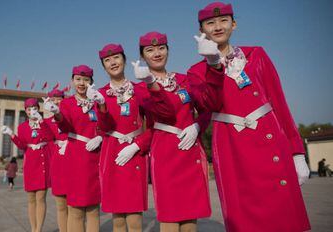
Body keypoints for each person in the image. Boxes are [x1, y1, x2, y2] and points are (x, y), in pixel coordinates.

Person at [187, 2, 311, 231]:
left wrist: (297, 152)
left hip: (269, 139)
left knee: (283, 217)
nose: (217, 27)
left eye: (223, 20)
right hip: (231, 146)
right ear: (201, 31)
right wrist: (213, 65)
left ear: (233, 24)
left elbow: (280, 104)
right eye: (210, 23)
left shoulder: (256, 55)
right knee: (244, 217)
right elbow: (210, 104)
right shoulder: (195, 72)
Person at [136, 31, 223, 232]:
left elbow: (206, 107)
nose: (157, 53)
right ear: (142, 56)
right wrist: (151, 83)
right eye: (150, 50)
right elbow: (163, 113)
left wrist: (198, 125)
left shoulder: (186, 79)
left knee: (190, 221)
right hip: (165, 154)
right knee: (170, 218)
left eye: (161, 48)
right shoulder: (141, 88)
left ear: (168, 50)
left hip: (190, 151)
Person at [86, 43, 174, 232]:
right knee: (117, 219)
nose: (113, 63)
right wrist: (101, 106)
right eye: (107, 60)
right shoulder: (99, 93)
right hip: (112, 156)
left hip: (135, 154)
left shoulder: (140, 89)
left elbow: (152, 125)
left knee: (134, 218)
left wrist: (137, 145)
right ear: (103, 66)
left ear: (124, 60)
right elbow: (104, 127)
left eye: (116, 58)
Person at [47, 65, 102, 232]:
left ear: (91, 82)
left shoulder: (97, 102)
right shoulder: (68, 103)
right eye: (78, 79)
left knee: (93, 210)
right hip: (76, 157)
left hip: (94, 157)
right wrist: (57, 114)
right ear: (72, 81)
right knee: (76, 209)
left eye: (86, 80)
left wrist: (100, 137)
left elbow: (105, 125)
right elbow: (64, 126)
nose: (82, 83)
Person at [2, 98, 54, 232]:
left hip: (43, 161)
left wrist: (41, 122)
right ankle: (33, 228)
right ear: (25, 111)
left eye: (35, 108)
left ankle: (39, 229)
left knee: (41, 198)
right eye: (29, 109)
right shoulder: (23, 126)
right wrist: (11, 134)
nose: (32, 111)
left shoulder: (45, 123)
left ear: (39, 109)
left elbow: (49, 138)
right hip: (30, 162)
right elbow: (22, 145)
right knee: (31, 199)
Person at [43, 88, 69, 232]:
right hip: (57, 165)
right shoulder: (46, 122)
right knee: (61, 206)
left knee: (74, 206)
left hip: (73, 164)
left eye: (59, 99)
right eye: (53, 99)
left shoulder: (70, 117)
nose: (56, 102)